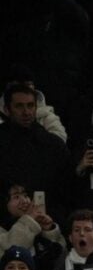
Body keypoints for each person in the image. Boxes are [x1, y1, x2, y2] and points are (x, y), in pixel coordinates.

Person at [0, 85, 71, 217]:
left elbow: (66, 189)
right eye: (19, 106)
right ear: (7, 109)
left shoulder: (53, 145)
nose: (26, 112)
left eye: (30, 105)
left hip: (49, 221)